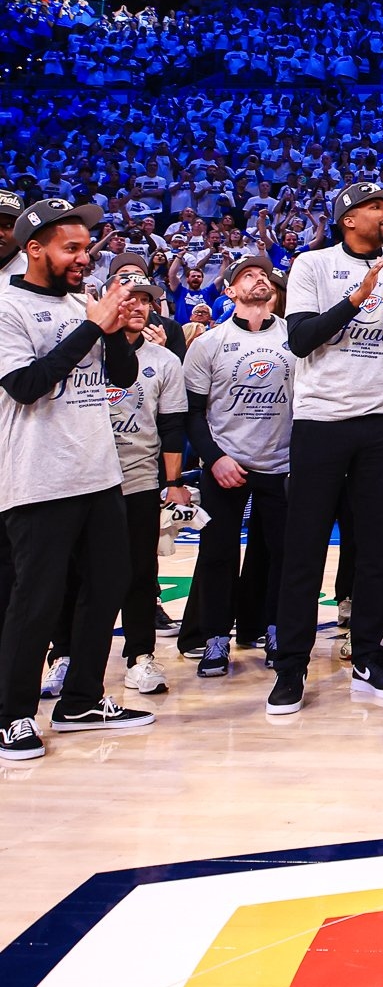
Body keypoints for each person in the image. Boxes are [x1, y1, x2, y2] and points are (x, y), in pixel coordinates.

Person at [0, 198, 156, 761]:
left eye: (85, 247)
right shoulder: (6, 305)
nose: (82, 257)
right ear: (33, 249)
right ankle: (12, 714)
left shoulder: (78, 301)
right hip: (39, 476)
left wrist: (109, 329)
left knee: (109, 584)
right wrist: (90, 325)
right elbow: (25, 385)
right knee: (37, 600)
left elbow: (122, 375)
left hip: (98, 470)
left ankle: (81, 699)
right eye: (70, 248)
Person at [271, 182, 383, 715]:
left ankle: (369, 655)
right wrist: (359, 295)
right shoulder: (311, 265)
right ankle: (291, 666)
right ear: (347, 219)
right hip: (320, 420)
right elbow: (299, 340)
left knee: (373, 549)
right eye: (375, 207)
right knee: (305, 547)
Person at [182, 255, 294, 678]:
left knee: (281, 555)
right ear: (229, 291)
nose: (258, 279)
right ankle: (214, 638)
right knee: (217, 553)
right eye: (248, 275)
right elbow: (192, 413)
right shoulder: (209, 343)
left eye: (263, 275)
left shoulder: (293, 337)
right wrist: (215, 459)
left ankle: (274, 630)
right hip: (226, 463)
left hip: (279, 463)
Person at [103, 279, 189, 698]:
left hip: (138, 479)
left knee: (140, 572)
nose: (139, 307)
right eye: (130, 299)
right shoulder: (87, 351)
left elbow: (173, 427)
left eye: (146, 301)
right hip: (86, 479)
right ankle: (64, 656)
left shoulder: (165, 361)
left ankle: (140, 657)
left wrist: (173, 482)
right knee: (76, 572)